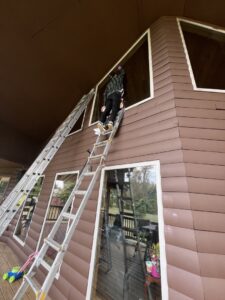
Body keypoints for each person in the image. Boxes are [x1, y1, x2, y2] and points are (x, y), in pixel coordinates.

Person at [97, 65, 125, 132]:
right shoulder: (118, 78)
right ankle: (110, 123)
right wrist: (120, 68)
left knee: (107, 110)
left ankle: (100, 122)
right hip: (116, 94)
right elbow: (123, 73)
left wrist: (104, 104)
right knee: (115, 107)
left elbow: (104, 94)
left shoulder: (108, 84)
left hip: (109, 97)